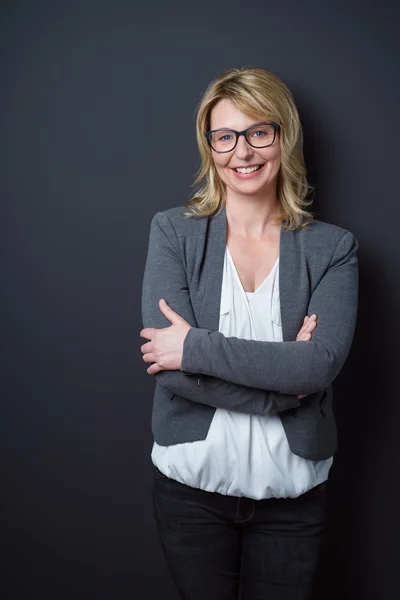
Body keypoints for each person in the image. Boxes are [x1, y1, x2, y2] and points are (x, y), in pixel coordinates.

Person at [140, 66, 358, 600]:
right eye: (225, 136)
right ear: (210, 146)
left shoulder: (333, 248)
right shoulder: (173, 233)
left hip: (295, 499)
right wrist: (288, 389)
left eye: (260, 132)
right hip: (190, 496)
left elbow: (317, 365)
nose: (243, 152)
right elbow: (170, 375)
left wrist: (194, 347)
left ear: (284, 137)